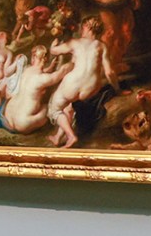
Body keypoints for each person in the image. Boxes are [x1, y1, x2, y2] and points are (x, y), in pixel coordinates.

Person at [46, 15, 123, 147]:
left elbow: (54, 51)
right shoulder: (102, 46)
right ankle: (58, 137)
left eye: (83, 27)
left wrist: (54, 42)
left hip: (74, 83)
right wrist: (117, 89)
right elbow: (109, 72)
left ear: (87, 27)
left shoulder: (75, 43)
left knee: (55, 109)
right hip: (91, 88)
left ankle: (71, 136)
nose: (81, 29)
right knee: (69, 107)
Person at [0, 45, 71, 134]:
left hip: (6, 116)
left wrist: (50, 67)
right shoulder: (43, 79)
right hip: (22, 124)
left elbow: (40, 72)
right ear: (45, 59)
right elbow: (61, 73)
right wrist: (72, 63)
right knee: (48, 107)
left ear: (33, 58)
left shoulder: (26, 71)